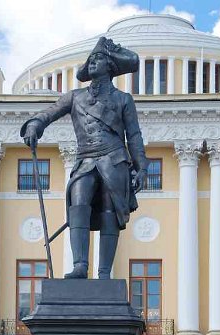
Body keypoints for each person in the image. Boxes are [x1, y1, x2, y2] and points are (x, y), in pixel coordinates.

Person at [20, 36, 148, 280]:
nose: (92, 63)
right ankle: (80, 266)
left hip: (114, 161)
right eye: (91, 59)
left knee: (110, 213)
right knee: (78, 206)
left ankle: (104, 273)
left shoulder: (123, 99)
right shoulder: (75, 97)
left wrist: (141, 167)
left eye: (98, 58)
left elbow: (133, 136)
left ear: (110, 66)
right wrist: (35, 125)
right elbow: (50, 113)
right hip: (85, 160)